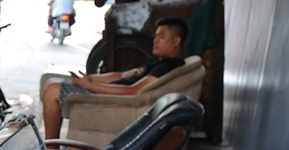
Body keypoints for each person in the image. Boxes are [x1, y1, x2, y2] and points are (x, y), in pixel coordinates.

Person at [42, 17, 189, 139]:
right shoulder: (158, 61)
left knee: (52, 90)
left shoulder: (169, 65)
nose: (155, 41)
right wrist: (89, 78)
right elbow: (121, 75)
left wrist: (90, 86)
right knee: (51, 81)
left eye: (161, 36)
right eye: (155, 36)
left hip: (116, 99)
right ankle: (51, 148)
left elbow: (134, 91)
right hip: (111, 91)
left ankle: (50, 149)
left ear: (176, 41)